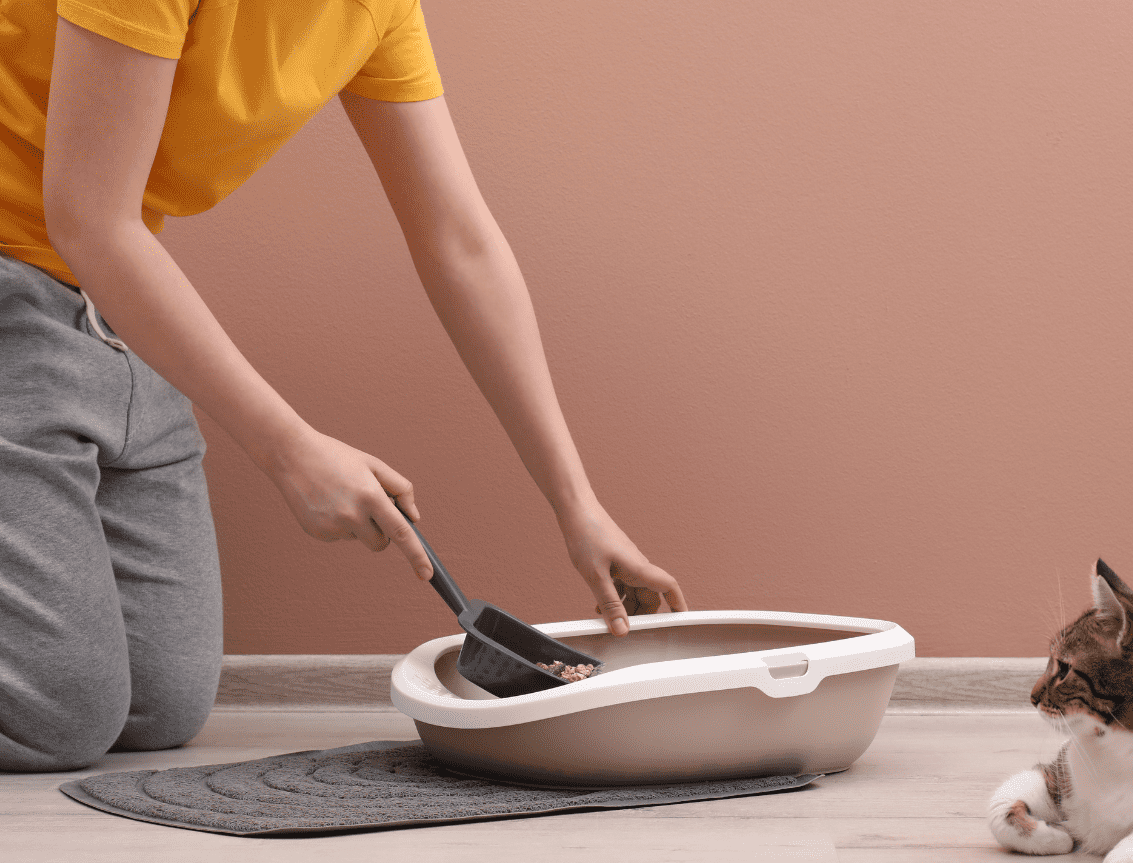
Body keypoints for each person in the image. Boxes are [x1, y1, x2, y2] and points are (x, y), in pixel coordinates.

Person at [0, 2, 686, 772]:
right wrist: (290, 449)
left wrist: (577, 505)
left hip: (111, 322)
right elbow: (90, 219)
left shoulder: (375, 8)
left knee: (162, 707)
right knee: (55, 717)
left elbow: (459, 241)